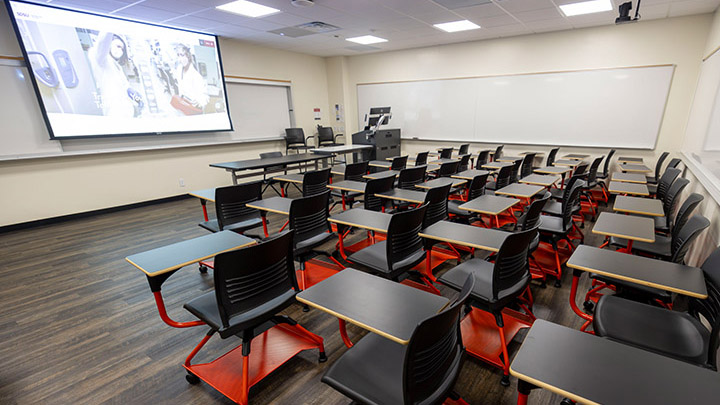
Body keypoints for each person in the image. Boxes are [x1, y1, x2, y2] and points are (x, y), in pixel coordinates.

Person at [88, 32, 142, 117]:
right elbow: (103, 40)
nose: (120, 51)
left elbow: (124, 85)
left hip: (127, 112)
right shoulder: (101, 59)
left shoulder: (116, 66)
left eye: (122, 49)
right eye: (118, 46)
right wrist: (112, 25)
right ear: (109, 44)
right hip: (114, 113)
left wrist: (131, 92)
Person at [171, 44, 208, 115]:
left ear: (188, 56)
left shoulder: (196, 76)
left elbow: (204, 98)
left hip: (193, 109)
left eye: (182, 55)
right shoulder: (179, 69)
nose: (180, 59)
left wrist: (198, 100)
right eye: (178, 55)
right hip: (183, 105)